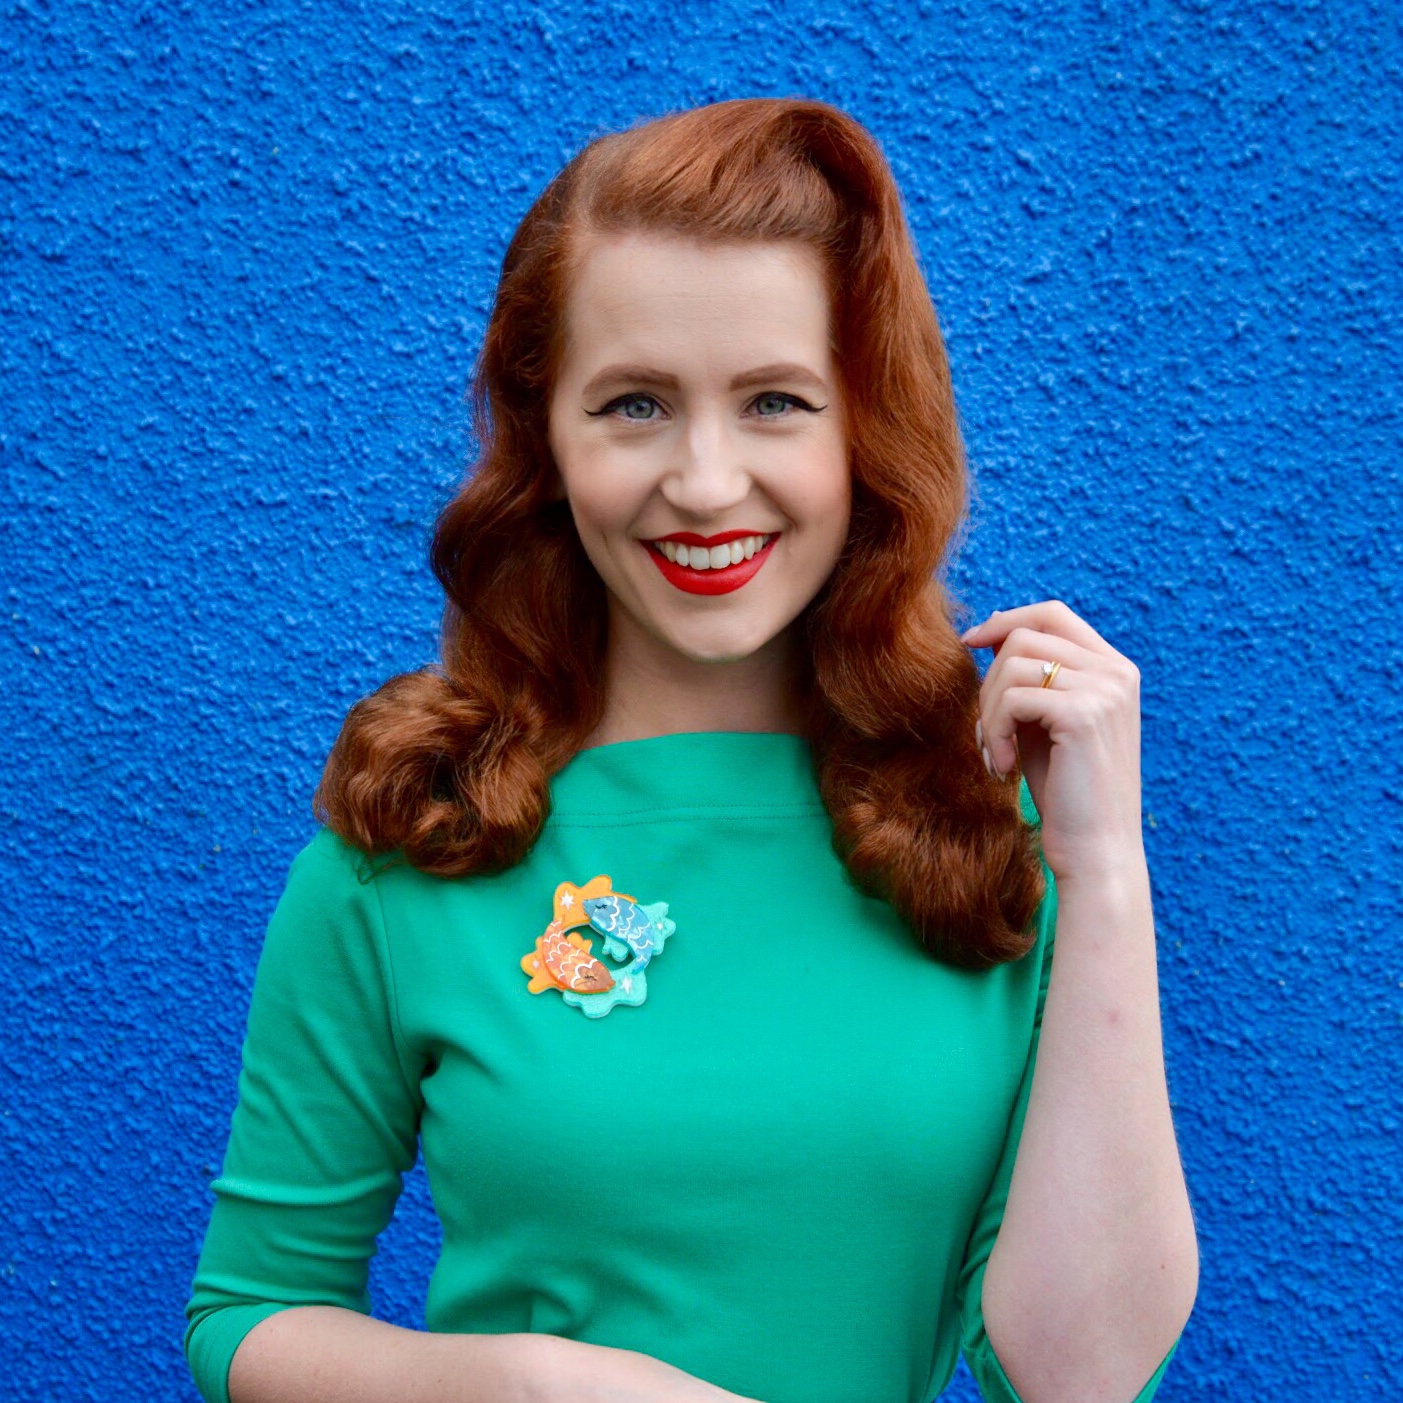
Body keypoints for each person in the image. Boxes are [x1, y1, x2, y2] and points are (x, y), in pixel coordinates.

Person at [184, 98, 1198, 1403]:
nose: (707, 483)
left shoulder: (995, 838)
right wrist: (535, 1388)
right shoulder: (422, 834)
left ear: (863, 428)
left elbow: (1080, 1381)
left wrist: (1104, 867)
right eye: (635, 405)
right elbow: (248, 1314)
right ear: (547, 438)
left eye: (775, 401)